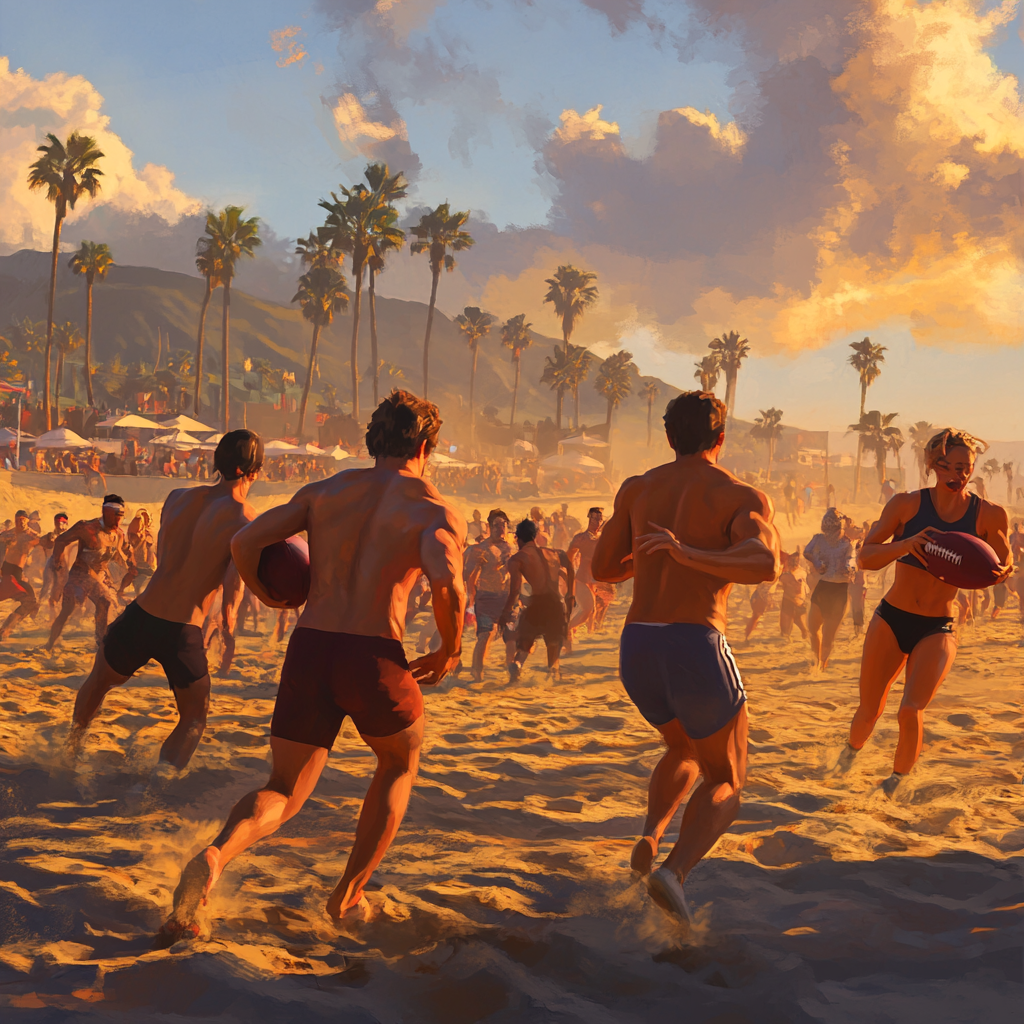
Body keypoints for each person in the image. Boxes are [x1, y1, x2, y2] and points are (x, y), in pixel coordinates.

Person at [159, 390, 465, 943]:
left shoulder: (326, 491)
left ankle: (216, 854)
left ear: (375, 440)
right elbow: (447, 579)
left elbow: (245, 539)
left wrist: (272, 597)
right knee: (398, 762)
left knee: (283, 787)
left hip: (311, 646)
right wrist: (449, 647)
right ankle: (347, 897)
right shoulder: (431, 507)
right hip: (372, 652)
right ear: (425, 445)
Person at [591, 390, 780, 923]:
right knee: (728, 778)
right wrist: (690, 553)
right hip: (694, 641)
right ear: (721, 438)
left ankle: (650, 835)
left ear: (669, 437)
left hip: (638, 645)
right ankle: (674, 872)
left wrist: (656, 558)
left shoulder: (637, 488)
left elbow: (603, 568)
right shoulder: (740, 494)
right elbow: (766, 562)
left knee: (682, 748)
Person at [64, 433, 264, 769]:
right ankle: (159, 783)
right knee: (194, 717)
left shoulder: (178, 497)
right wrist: (228, 627)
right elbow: (234, 582)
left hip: (142, 613)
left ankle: (69, 754)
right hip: (183, 629)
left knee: (99, 681)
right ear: (251, 471)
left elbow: (168, 550)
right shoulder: (245, 517)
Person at [837, 429, 1011, 796]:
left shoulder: (990, 514)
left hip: (939, 626)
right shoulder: (906, 505)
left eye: (964, 467)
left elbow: (1005, 561)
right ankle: (848, 757)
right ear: (932, 465)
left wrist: (1002, 570)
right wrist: (906, 544)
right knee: (869, 709)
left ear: (973, 468)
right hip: (891, 618)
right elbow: (866, 557)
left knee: (910, 710)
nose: (956, 474)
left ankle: (895, 784)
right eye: (946, 466)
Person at [46, 497, 135, 651]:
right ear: (105, 512)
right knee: (67, 610)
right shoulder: (86, 528)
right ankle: (50, 644)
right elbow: (61, 540)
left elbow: (125, 550)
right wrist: (57, 562)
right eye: (115, 515)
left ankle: (100, 642)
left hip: (98, 577)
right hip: (79, 576)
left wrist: (131, 562)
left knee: (105, 602)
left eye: (120, 516)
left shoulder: (118, 534)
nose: (118, 521)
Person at [499, 519, 574, 681]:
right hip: (555, 604)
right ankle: (552, 676)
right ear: (535, 536)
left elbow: (515, 591)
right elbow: (570, 566)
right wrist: (570, 595)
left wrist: (505, 613)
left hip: (537, 604)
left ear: (518, 538)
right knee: (553, 647)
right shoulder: (554, 552)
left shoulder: (518, 559)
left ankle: (517, 666)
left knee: (525, 644)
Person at [465, 509, 513, 682]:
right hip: (486, 597)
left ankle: (512, 671)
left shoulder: (509, 547)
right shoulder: (480, 549)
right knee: (485, 635)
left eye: (504, 525)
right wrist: (470, 600)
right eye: (497, 525)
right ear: (489, 527)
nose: (501, 528)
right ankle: (477, 672)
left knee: (512, 636)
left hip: (506, 597)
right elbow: (469, 576)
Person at [804, 508, 855, 670]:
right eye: (828, 530)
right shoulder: (819, 539)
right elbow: (807, 552)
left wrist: (849, 567)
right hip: (824, 586)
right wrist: (817, 563)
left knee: (828, 635)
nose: (831, 534)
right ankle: (816, 659)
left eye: (833, 530)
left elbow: (852, 560)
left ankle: (822, 665)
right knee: (813, 627)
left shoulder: (847, 544)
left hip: (840, 590)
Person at [567, 508, 614, 639]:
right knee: (588, 609)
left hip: (596, 578)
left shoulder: (602, 538)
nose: (597, 522)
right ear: (589, 518)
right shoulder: (581, 538)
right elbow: (569, 556)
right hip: (582, 578)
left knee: (595, 609)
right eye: (594, 518)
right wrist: (569, 572)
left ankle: (590, 634)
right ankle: (566, 629)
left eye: (599, 519)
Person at [0, 510, 43, 639]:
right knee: (30, 602)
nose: (21, 522)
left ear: (27, 520)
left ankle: (6, 629)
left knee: (31, 602)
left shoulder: (31, 536)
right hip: (8, 572)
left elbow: (45, 542)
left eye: (23, 519)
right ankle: (5, 630)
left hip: (17, 573)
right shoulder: (8, 534)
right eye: (18, 519)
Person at [119, 508, 157, 597]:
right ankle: (121, 591)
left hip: (149, 566)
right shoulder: (136, 532)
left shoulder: (147, 534)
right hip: (138, 565)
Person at [39, 512, 70, 613]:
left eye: (63, 523)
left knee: (59, 589)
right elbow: (44, 543)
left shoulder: (71, 536)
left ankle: (53, 611)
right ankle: (37, 606)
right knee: (47, 585)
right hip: (52, 563)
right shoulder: (51, 536)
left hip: (64, 566)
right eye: (59, 523)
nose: (61, 525)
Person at [778, 551, 809, 640]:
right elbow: (782, 584)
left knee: (796, 618)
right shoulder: (786, 572)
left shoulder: (801, 572)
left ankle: (804, 631)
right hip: (788, 598)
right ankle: (785, 635)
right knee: (785, 617)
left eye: (794, 561)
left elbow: (801, 588)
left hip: (798, 599)